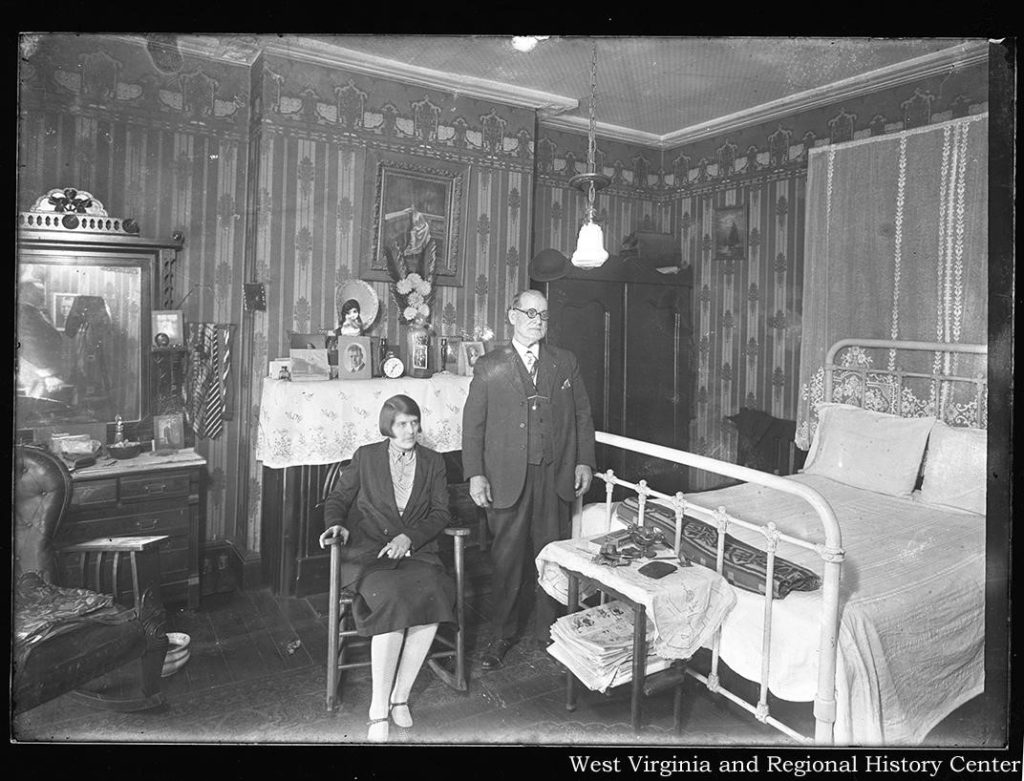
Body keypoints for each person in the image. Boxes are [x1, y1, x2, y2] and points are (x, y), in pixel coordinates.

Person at [462, 289, 596, 670]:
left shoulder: (564, 362)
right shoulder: (490, 366)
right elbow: (473, 426)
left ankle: (548, 632)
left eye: (544, 315)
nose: (538, 321)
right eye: (530, 313)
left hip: (554, 477)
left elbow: (583, 416)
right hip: (506, 479)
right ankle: (502, 634)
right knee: (506, 561)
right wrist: (475, 475)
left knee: (551, 556)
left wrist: (584, 461)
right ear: (512, 316)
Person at [318, 395, 456, 742]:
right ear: (388, 427)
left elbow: (441, 513)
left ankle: (400, 697)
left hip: (417, 552)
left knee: (433, 593)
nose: (410, 430)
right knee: (393, 597)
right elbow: (338, 499)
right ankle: (378, 707)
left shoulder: (433, 461)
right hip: (371, 554)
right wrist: (337, 524)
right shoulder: (366, 457)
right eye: (401, 424)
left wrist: (409, 537)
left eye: (414, 422)